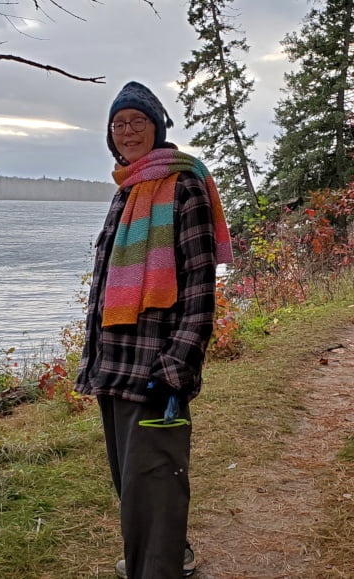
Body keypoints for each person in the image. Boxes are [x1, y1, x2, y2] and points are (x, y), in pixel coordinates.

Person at [74, 81, 232, 578]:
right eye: (118, 124)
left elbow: (200, 282)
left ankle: (156, 567)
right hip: (116, 359)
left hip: (155, 361)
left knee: (153, 472)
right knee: (133, 477)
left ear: (157, 127)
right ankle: (168, 551)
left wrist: (177, 362)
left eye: (137, 121)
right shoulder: (128, 190)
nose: (127, 132)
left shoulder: (182, 184)